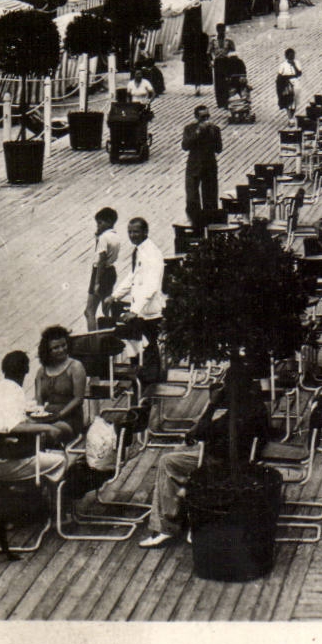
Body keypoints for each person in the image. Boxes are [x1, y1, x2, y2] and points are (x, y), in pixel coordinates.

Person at [138, 378, 271, 548]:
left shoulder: (233, 417)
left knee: (168, 462)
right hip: (243, 459)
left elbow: (196, 433)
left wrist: (212, 405)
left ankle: (166, 527)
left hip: (222, 464)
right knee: (178, 451)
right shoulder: (257, 409)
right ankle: (182, 512)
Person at [0, 350, 70, 483]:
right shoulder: (15, 390)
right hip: (0, 463)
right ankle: (51, 500)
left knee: (34, 449)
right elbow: (15, 427)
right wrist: (48, 427)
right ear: (26, 371)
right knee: (59, 461)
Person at [107, 217, 165, 383]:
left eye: (136, 232)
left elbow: (152, 286)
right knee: (139, 348)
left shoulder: (152, 253)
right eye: (130, 232)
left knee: (149, 348)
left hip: (149, 312)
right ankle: (140, 383)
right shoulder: (140, 250)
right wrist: (115, 295)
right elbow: (133, 276)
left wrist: (134, 310)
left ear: (145, 232)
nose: (132, 235)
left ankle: (151, 387)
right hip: (140, 312)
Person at [32, 326, 87, 445]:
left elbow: (78, 399)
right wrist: (39, 415)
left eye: (63, 345)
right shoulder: (42, 371)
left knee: (47, 434)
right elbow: (39, 399)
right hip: (47, 416)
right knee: (28, 433)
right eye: (55, 348)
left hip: (70, 418)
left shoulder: (75, 367)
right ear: (48, 351)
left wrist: (59, 415)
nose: (61, 349)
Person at [181, 105, 223, 229]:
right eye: (202, 117)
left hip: (209, 166)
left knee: (210, 198)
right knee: (192, 198)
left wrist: (212, 133)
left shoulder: (215, 129)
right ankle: (195, 223)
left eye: (207, 116)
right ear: (196, 117)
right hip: (194, 167)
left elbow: (219, 148)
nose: (206, 119)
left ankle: (210, 224)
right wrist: (198, 132)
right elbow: (185, 146)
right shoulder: (189, 129)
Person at [86, 207, 124, 333]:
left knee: (89, 312)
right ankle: (110, 334)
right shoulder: (115, 236)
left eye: (100, 223)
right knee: (106, 308)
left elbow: (101, 259)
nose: (98, 226)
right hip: (111, 272)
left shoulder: (103, 237)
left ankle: (93, 339)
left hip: (100, 273)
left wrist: (96, 282)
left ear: (108, 222)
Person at [209, 24, 234, 108]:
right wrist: (211, 61)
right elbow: (209, 52)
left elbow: (233, 51)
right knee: (218, 82)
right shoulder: (213, 40)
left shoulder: (229, 40)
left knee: (227, 81)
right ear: (217, 30)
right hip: (217, 62)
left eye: (223, 30)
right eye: (219, 30)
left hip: (226, 61)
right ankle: (220, 101)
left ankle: (227, 100)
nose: (221, 32)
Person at [275, 48, 302, 118]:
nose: (292, 58)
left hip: (296, 83)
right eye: (290, 56)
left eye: (293, 56)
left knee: (295, 101)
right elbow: (279, 76)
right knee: (288, 101)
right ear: (286, 57)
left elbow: (299, 73)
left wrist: (294, 65)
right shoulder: (283, 65)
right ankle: (290, 117)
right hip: (286, 84)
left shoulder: (297, 63)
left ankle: (292, 114)